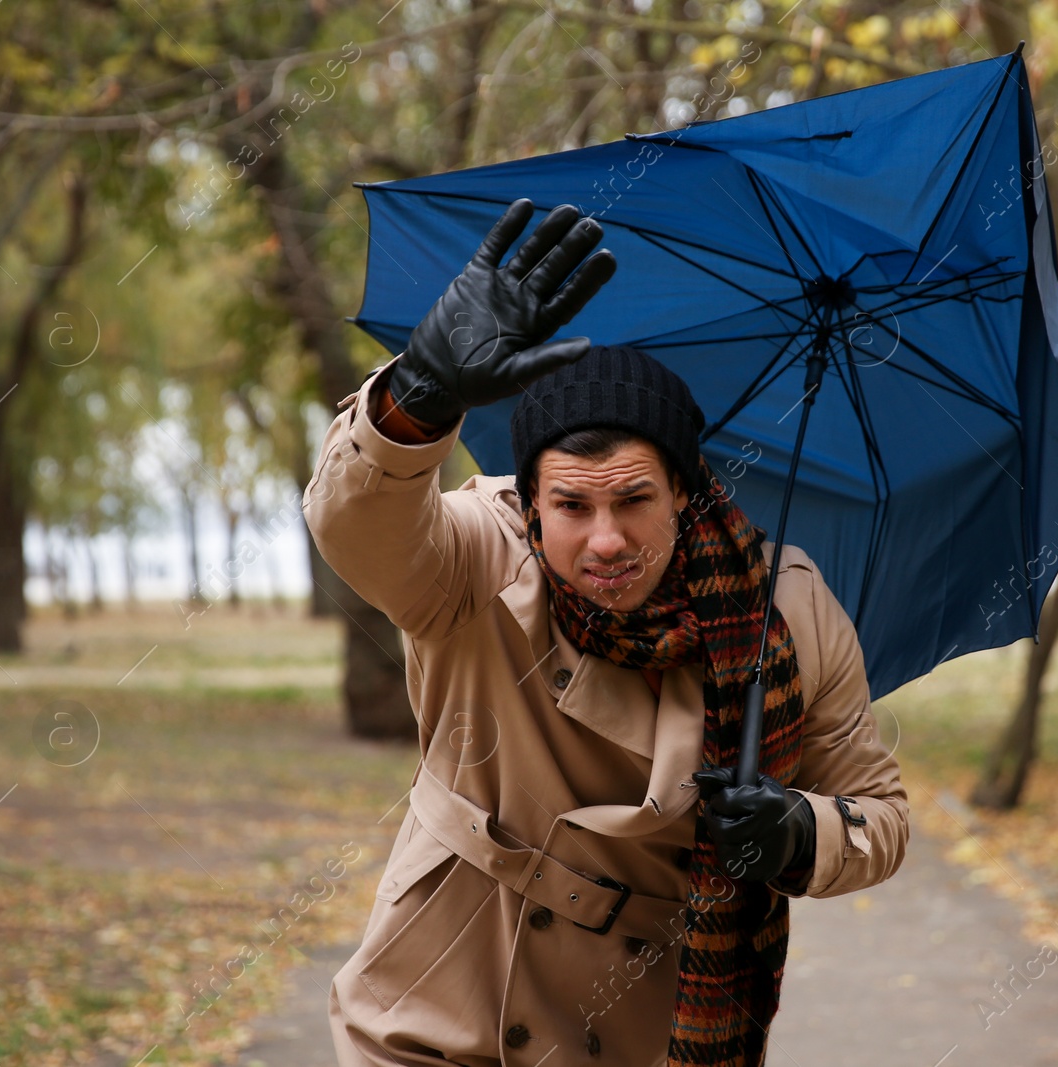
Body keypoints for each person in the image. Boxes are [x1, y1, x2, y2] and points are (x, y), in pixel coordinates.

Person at [303, 199, 909, 1067]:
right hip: (440, 1001)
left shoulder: (790, 608)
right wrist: (418, 396)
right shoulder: (479, 557)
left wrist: (798, 831)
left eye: (634, 500)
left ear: (685, 493)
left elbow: (880, 814)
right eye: (573, 507)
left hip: (641, 1028)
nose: (607, 540)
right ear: (529, 503)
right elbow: (356, 527)